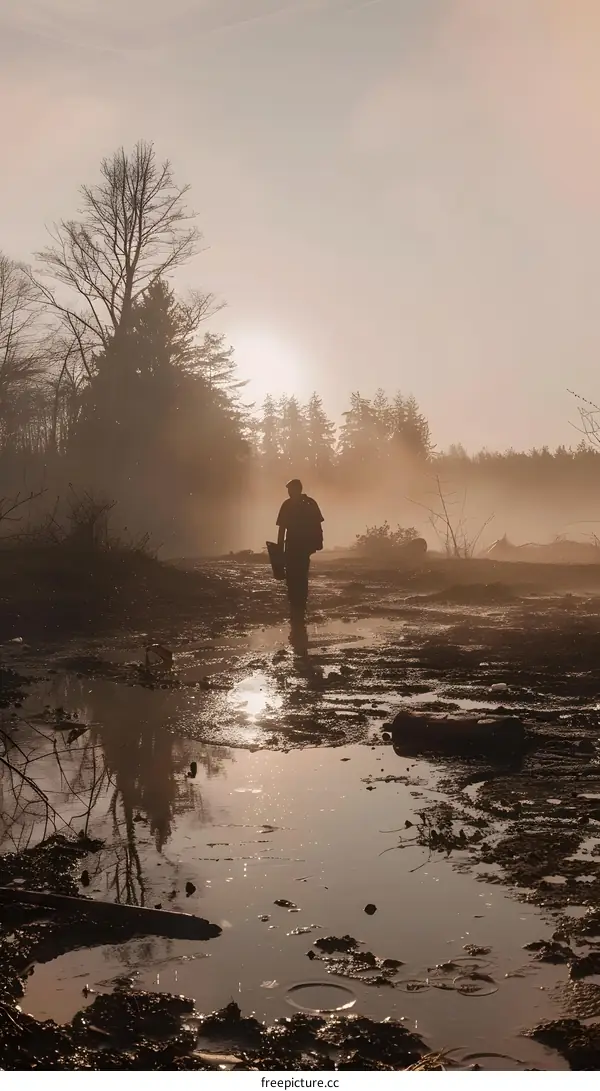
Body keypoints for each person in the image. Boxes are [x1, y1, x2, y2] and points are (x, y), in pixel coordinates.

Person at [276, 479, 324, 627]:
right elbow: (318, 525)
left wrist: (279, 549)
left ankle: (297, 605)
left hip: (297, 545)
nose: (289, 492)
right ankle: (298, 605)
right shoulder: (308, 503)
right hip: (300, 546)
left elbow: (282, 529)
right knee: (298, 575)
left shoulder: (291, 504)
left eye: (291, 489)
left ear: (297, 489)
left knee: (296, 575)